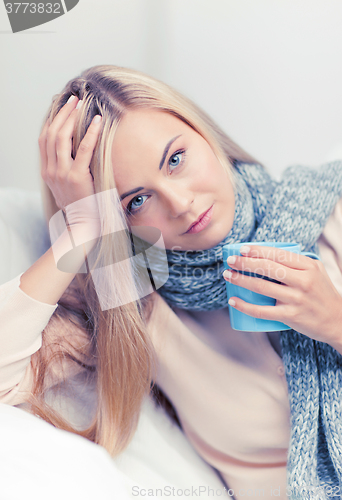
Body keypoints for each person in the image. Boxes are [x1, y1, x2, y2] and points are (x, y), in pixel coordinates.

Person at [1, 64, 342, 500]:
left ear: (200, 131)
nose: (181, 204)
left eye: (176, 160)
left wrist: (334, 321)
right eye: (138, 200)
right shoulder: (136, 309)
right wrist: (79, 230)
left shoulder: (329, 215)